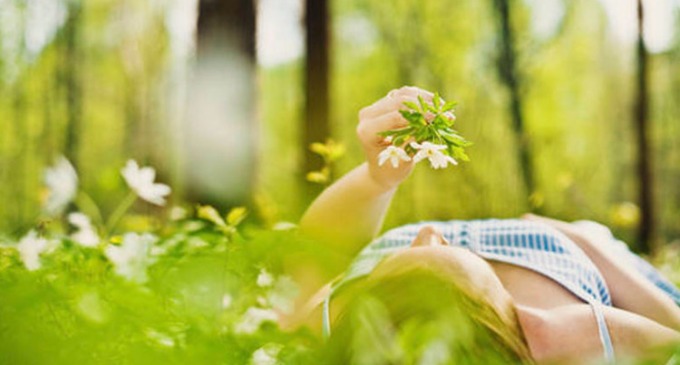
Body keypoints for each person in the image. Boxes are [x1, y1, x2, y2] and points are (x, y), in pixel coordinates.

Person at [282, 86, 680, 364]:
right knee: (597, 233)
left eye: (412, 251)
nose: (429, 233)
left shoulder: (338, 325)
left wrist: (377, 178)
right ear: (525, 321)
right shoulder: (568, 335)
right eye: (442, 248)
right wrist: (585, 243)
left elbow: (316, 251)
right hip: (561, 255)